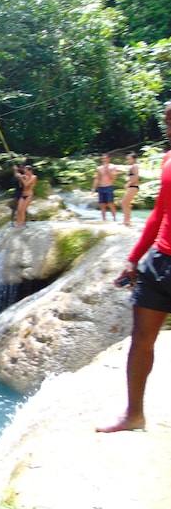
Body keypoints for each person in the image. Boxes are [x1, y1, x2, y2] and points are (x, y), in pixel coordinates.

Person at [96, 101, 171, 433]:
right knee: (141, 338)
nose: (169, 128)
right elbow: (158, 214)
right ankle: (134, 415)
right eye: (168, 123)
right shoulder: (169, 160)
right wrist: (134, 259)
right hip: (160, 260)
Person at [91, 153, 119, 221]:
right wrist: (93, 188)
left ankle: (114, 218)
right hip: (101, 187)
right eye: (103, 158)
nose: (104, 160)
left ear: (109, 159)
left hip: (109, 187)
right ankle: (103, 219)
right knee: (102, 204)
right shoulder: (99, 168)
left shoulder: (113, 167)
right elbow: (97, 178)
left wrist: (107, 170)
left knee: (110, 203)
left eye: (106, 158)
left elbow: (113, 177)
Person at [121, 152, 140, 226]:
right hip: (132, 187)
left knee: (124, 203)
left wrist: (128, 184)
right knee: (126, 203)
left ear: (134, 159)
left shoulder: (135, 166)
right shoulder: (133, 166)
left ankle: (126, 221)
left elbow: (136, 177)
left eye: (129, 159)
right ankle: (126, 220)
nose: (128, 161)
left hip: (133, 186)